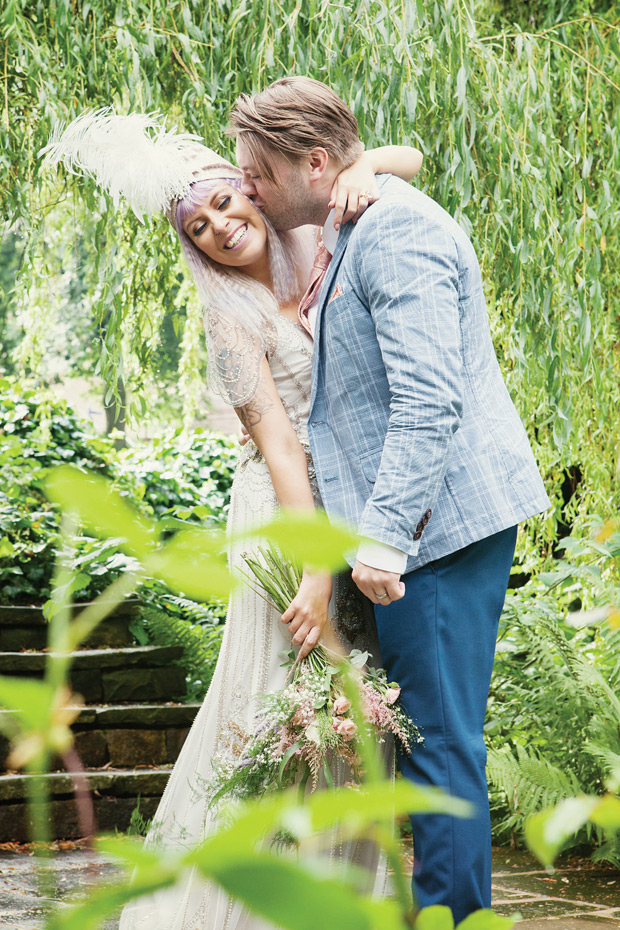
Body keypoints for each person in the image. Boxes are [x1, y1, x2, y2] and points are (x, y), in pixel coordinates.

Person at [41, 110, 423, 930]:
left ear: (254, 190)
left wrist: (361, 172)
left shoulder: (318, 249)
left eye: (225, 203)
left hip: (351, 502)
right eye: (198, 227)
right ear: (190, 244)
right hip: (287, 522)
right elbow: (283, 454)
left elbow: (410, 156)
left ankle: (342, 896)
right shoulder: (230, 324)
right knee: (289, 701)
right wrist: (314, 576)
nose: (219, 227)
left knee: (347, 716)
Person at [228, 76, 551, 923]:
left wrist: (379, 540)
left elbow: (426, 403)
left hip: (435, 529)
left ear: (317, 163)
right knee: (433, 746)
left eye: (256, 174)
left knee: (441, 747)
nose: (248, 192)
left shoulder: (395, 230)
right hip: (420, 528)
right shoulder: (352, 219)